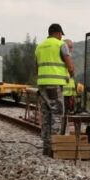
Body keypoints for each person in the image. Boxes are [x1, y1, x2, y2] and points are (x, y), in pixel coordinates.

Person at [35, 23, 75, 156]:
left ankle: (46, 148)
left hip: (42, 85)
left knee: (46, 115)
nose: (60, 37)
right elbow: (70, 65)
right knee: (57, 115)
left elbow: (36, 68)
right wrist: (71, 75)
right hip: (54, 85)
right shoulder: (60, 45)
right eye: (60, 35)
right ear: (58, 33)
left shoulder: (39, 47)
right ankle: (54, 149)